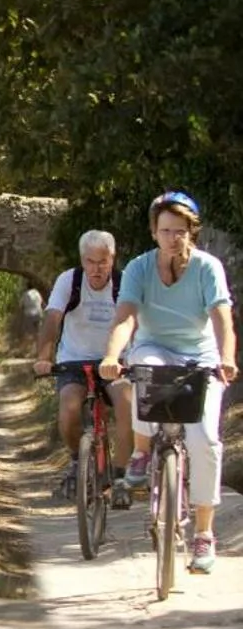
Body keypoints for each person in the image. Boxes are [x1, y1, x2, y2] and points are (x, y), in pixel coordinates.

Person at [99, 191, 239, 574]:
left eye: (180, 231)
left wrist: (227, 358)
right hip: (154, 347)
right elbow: (125, 317)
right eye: (165, 230)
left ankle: (204, 535)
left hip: (201, 358)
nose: (172, 238)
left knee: (204, 440)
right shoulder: (139, 269)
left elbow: (222, 319)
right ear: (153, 231)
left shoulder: (208, 268)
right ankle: (142, 452)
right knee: (141, 367)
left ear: (192, 232)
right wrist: (112, 356)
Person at [31, 231, 133, 501]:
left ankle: (121, 477)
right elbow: (53, 317)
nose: (96, 269)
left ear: (113, 259)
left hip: (114, 360)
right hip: (74, 358)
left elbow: (131, 321)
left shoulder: (124, 283)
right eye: (90, 262)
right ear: (81, 260)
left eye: (103, 262)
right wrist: (44, 357)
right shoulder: (70, 280)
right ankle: (78, 462)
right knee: (68, 411)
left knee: (126, 404)